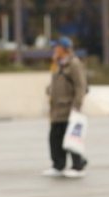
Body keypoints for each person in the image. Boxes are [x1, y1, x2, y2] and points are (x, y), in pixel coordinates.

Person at [43, 36, 88, 178]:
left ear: (64, 49)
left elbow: (81, 86)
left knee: (71, 139)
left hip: (69, 109)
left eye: (56, 47)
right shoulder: (58, 64)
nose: (54, 49)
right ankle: (58, 165)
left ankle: (78, 165)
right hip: (56, 109)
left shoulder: (74, 64)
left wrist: (77, 106)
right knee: (55, 138)